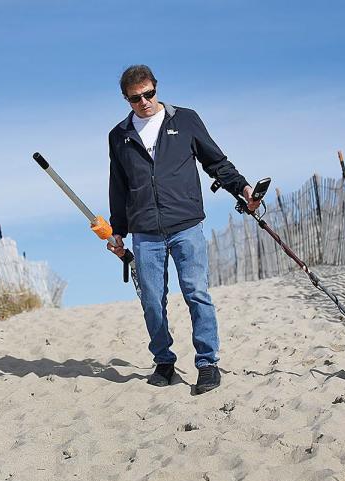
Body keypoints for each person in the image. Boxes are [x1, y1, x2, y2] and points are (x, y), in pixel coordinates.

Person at [106, 64, 259, 394]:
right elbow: (118, 186)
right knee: (150, 298)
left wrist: (243, 188)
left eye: (148, 94)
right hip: (144, 231)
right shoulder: (118, 135)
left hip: (186, 224)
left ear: (156, 89)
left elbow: (215, 162)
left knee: (196, 293)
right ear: (126, 99)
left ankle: (207, 362)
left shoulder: (185, 119)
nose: (144, 102)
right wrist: (118, 230)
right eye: (136, 98)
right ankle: (163, 360)